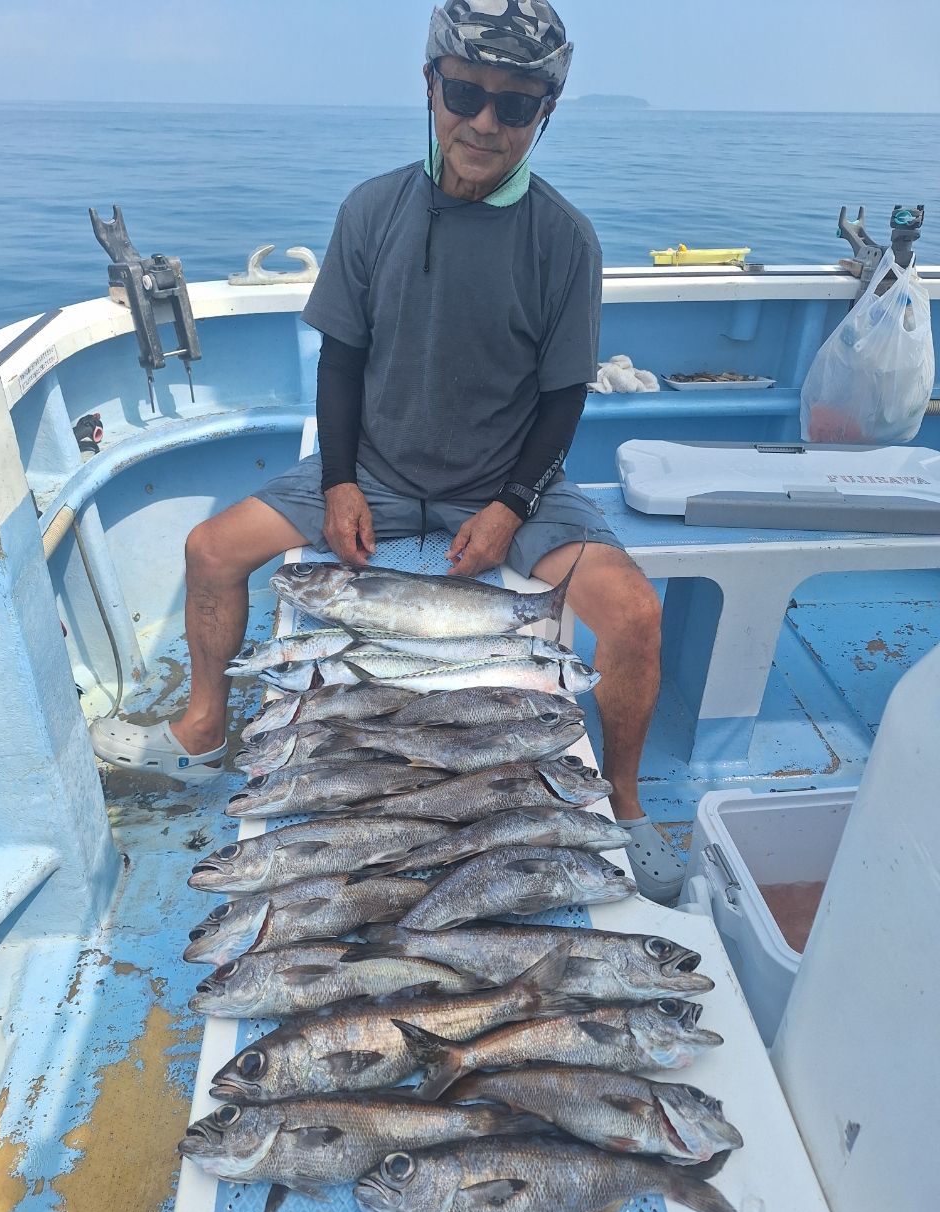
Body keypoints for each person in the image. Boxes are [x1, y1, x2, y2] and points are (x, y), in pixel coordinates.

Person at [90, 0, 684, 903]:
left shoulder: (566, 241)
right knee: (209, 551)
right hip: (374, 469)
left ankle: (628, 807)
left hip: (504, 485)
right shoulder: (372, 210)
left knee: (635, 614)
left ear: (544, 116)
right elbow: (342, 360)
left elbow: (564, 398)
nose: (485, 122)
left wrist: (512, 505)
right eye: (467, 92)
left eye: (515, 106)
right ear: (432, 85)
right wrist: (337, 483)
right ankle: (206, 732)